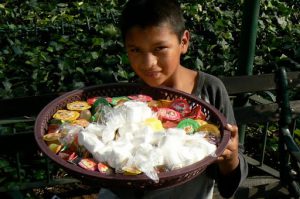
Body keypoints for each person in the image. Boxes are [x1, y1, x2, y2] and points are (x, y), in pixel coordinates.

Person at [99, 0, 248, 198]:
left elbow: (228, 181)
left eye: (159, 48)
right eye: (135, 50)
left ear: (183, 42)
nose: (148, 63)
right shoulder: (127, 103)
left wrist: (230, 159)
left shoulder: (210, 91)